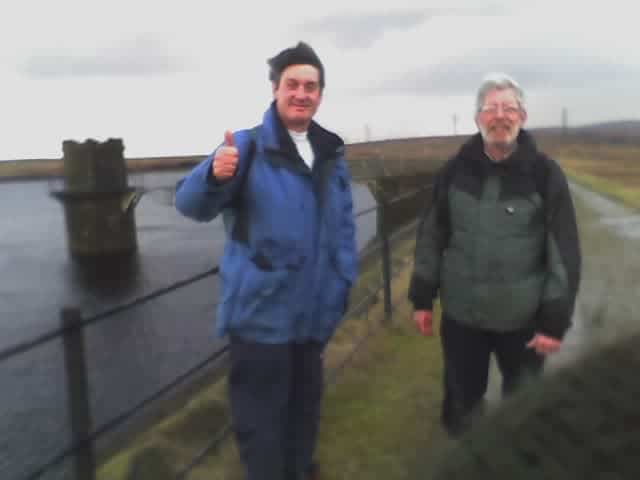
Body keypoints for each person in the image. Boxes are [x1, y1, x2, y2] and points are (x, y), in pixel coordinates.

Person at [174, 42, 358, 480]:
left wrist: (342, 282)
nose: (301, 93)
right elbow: (189, 203)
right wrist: (214, 175)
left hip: (313, 317)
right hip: (261, 320)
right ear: (276, 89)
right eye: (292, 84)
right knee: (261, 431)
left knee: (303, 418)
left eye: (310, 86)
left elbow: (344, 228)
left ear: (320, 95)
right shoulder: (245, 147)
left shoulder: (331, 155)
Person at [408, 73, 581, 436]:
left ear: (523, 116)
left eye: (509, 108)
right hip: (461, 319)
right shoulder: (454, 171)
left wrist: (554, 320)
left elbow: (563, 253)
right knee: (461, 407)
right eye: (491, 108)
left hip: (523, 322)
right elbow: (431, 236)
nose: (500, 116)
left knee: (524, 411)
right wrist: (422, 297)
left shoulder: (545, 175)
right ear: (477, 118)